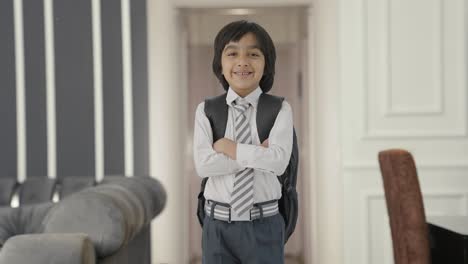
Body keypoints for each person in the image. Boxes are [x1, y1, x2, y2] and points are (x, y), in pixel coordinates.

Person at [193, 20, 294, 264]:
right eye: (232, 53)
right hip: (217, 226)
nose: (242, 61)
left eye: (253, 54)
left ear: (266, 63)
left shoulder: (279, 108)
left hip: (265, 224)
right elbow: (204, 166)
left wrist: (230, 148)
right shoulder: (207, 110)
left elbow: (278, 162)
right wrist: (256, 155)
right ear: (220, 62)